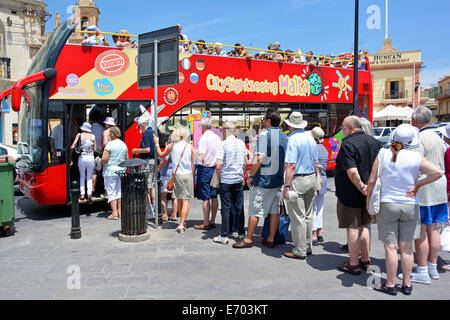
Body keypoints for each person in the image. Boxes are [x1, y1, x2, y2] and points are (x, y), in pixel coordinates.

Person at [366, 124, 443, 295]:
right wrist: (418, 185)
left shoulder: (385, 153)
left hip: (388, 203)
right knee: (407, 247)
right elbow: (438, 172)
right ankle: (407, 284)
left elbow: (371, 180)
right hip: (410, 204)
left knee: (391, 247)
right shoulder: (415, 156)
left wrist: (368, 200)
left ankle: (391, 284)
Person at [399, 106, 449, 284]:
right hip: (439, 187)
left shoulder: (419, 138)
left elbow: (415, 164)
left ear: (415, 121)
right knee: (433, 228)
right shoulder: (438, 136)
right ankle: (432, 267)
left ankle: (422, 269)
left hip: (425, 187)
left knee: (421, 231)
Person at [233, 108, 288, 249]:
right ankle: (270, 239)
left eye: (264, 119)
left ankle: (248, 238)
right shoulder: (283, 137)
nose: (263, 121)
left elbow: (259, 157)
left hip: (263, 180)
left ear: (268, 120)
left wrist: (251, 175)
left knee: (254, 210)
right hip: (276, 180)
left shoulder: (264, 135)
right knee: (274, 210)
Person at [334, 116, 382, 275]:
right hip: (369, 193)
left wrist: (362, 186)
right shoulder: (374, 142)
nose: (341, 131)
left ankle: (353, 262)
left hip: (352, 194)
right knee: (365, 225)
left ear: (350, 128)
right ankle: (365, 259)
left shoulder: (348, 144)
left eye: (342, 127)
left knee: (353, 228)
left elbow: (352, 171)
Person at [282, 112, 318, 259]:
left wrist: (286, 186)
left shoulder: (293, 140)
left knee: (298, 217)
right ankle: (308, 246)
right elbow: (316, 163)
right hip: (311, 178)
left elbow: (291, 165)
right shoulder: (310, 139)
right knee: (308, 215)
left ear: (290, 125)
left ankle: (300, 250)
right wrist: (315, 183)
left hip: (298, 180)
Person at [154, 126, 195, 233]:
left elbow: (161, 155)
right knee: (185, 200)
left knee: (180, 199)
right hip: (188, 175)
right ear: (185, 135)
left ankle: (181, 224)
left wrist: (157, 143)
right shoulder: (190, 146)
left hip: (176, 175)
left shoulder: (172, 145)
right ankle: (182, 222)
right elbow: (193, 163)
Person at [214, 121, 249, 244]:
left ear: (225, 130)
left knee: (225, 207)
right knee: (239, 207)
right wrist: (242, 174)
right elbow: (246, 162)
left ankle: (224, 235)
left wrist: (220, 178)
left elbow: (218, 165)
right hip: (238, 179)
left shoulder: (222, 144)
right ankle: (240, 232)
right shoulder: (241, 143)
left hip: (226, 180)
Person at [194, 118, 222, 231]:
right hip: (215, 168)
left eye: (200, 127)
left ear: (203, 127)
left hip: (205, 169)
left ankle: (205, 222)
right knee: (214, 195)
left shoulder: (203, 138)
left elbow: (201, 158)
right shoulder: (217, 137)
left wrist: (195, 154)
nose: (200, 129)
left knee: (205, 198)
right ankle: (212, 220)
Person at [102, 126, 128, 220]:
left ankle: (114, 213)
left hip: (111, 171)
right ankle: (120, 212)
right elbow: (127, 159)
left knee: (112, 192)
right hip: (122, 171)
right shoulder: (123, 144)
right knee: (119, 191)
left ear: (112, 134)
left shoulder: (109, 145)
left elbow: (104, 159)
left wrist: (103, 162)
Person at [132, 116, 156, 216]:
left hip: (147, 161)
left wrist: (136, 150)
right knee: (152, 186)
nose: (139, 129)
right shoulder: (153, 131)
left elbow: (147, 149)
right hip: (153, 161)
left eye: (139, 127)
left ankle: (150, 211)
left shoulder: (146, 133)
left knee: (146, 186)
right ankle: (154, 209)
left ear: (142, 125)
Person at [310, 127, 329, 246]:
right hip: (324, 179)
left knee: (313, 209)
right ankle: (320, 232)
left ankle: (313, 235)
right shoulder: (324, 149)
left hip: (315, 180)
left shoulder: (313, 149)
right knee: (320, 208)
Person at [70, 122, 97, 202]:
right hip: (91, 157)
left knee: (82, 176)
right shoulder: (93, 136)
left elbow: (73, 146)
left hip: (82, 157)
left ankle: (82, 194)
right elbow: (95, 149)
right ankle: (89, 193)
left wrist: (70, 154)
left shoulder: (79, 135)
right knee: (89, 177)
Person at [90, 108, 105, 196]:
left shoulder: (89, 128)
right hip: (100, 153)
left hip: (90, 153)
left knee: (93, 172)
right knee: (101, 172)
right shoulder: (102, 129)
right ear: (100, 119)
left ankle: (93, 189)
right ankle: (101, 189)